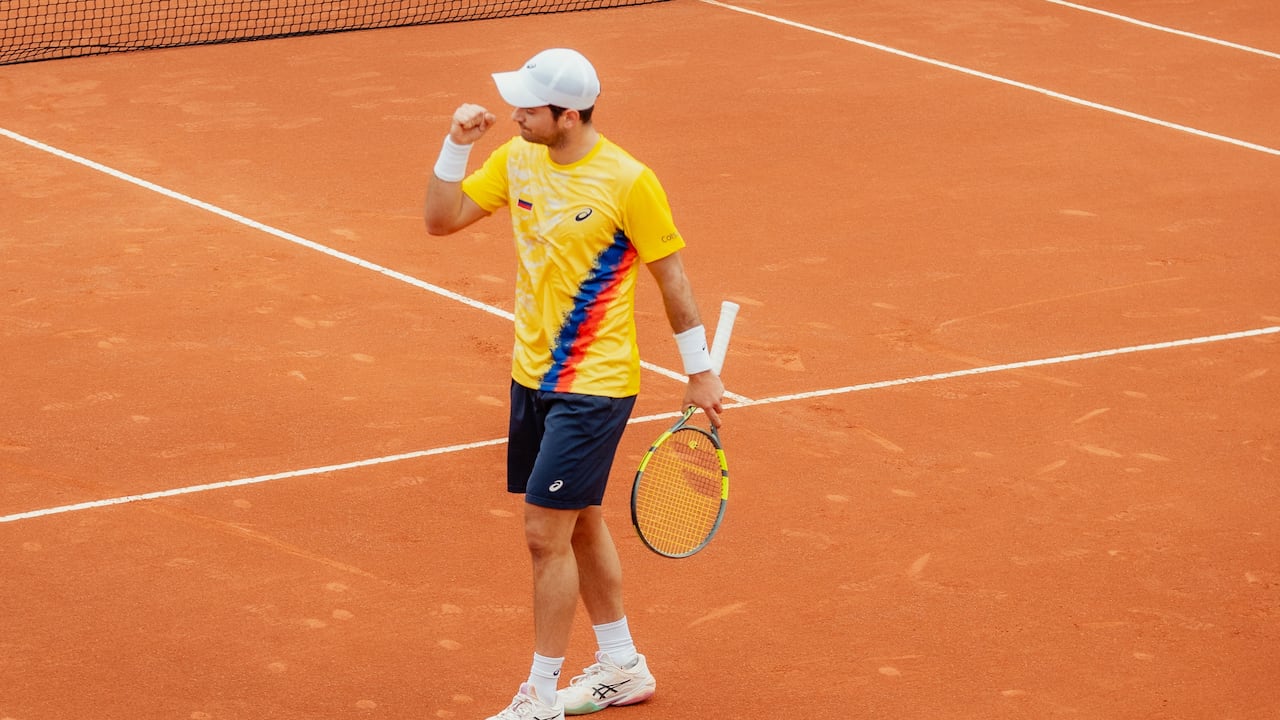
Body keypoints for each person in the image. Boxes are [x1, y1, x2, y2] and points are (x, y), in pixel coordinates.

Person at [423, 48, 724, 720]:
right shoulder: (517, 157)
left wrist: (699, 369)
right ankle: (621, 666)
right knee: (579, 520)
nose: (514, 115)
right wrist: (455, 146)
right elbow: (440, 220)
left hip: (596, 382)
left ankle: (540, 696)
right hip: (531, 375)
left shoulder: (627, 181)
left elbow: (670, 276)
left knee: (542, 531)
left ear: (569, 113)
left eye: (529, 108)